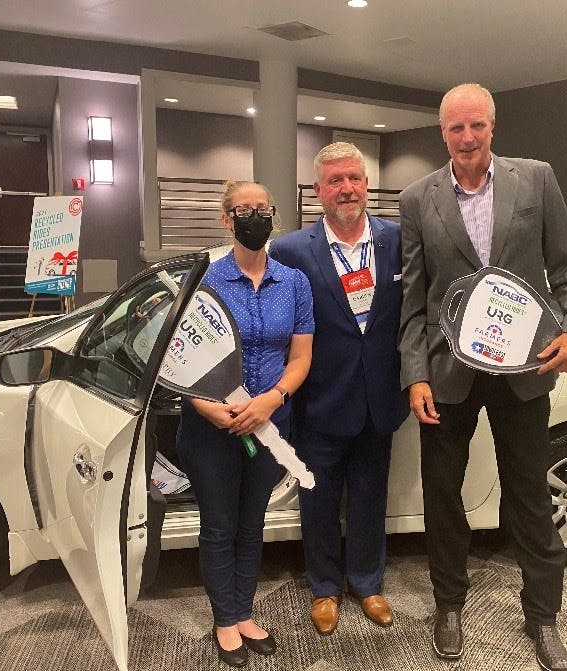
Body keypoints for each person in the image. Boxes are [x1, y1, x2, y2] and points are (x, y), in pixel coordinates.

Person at [398, 83, 567, 671]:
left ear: (492, 125)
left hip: (523, 370)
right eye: (456, 128)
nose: (467, 137)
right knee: (442, 495)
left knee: (530, 495)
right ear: (443, 133)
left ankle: (543, 618)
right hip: (447, 371)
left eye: (476, 125)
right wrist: (415, 374)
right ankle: (449, 606)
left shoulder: (536, 180)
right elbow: (414, 299)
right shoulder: (417, 199)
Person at [270, 142, 408, 636]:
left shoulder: (398, 240)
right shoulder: (290, 251)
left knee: (371, 497)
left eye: (354, 178)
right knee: (318, 500)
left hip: (380, 398)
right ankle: (325, 588)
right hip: (319, 401)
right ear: (318, 190)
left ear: (366, 185)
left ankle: (368, 583)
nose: (347, 188)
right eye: (335, 181)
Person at [175, 180, 314, 668]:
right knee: (219, 525)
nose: (255, 217)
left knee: (253, 523)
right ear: (226, 219)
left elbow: (300, 358)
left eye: (262, 208)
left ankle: (244, 612)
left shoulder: (294, 283)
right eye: (243, 210)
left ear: (273, 215)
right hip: (211, 425)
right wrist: (205, 406)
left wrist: (272, 400)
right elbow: (178, 355)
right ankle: (224, 619)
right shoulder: (203, 281)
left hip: (269, 424)